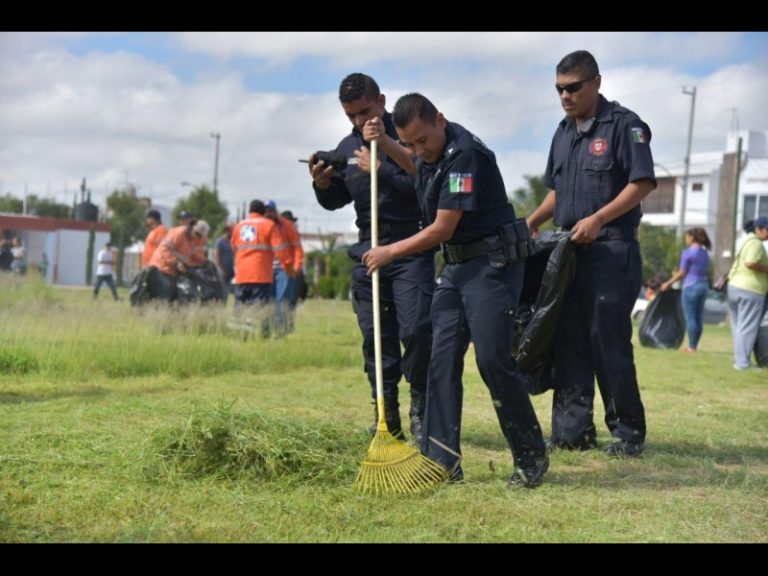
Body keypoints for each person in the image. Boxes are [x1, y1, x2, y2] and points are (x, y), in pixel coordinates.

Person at [363, 93, 548, 487]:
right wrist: (385, 141)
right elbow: (413, 163)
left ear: (440, 120)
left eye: (422, 141)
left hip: (491, 266)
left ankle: (531, 456)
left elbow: (442, 228)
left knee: (492, 360)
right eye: (409, 142)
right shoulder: (429, 152)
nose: (418, 151)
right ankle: (441, 460)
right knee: (440, 358)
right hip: (457, 267)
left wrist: (389, 252)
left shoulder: (464, 156)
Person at [526, 50, 656, 457]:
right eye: (559, 89)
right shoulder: (563, 132)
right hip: (567, 252)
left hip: (611, 249)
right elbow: (557, 191)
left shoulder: (625, 126)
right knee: (567, 339)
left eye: (573, 88)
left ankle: (628, 433)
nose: (565, 96)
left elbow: (642, 183)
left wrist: (599, 218)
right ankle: (572, 433)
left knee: (608, 341)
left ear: (596, 83)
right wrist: (531, 221)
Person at [307, 73, 434, 443]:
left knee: (416, 331)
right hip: (368, 251)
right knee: (376, 339)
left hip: (410, 246)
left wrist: (381, 168)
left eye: (364, 111)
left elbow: (424, 184)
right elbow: (337, 200)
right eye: (351, 115)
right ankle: (386, 416)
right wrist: (323, 184)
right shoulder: (347, 146)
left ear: (381, 100)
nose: (359, 122)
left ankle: (422, 413)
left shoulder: (409, 134)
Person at [660, 228, 712, 352]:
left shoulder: (688, 253)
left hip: (691, 286)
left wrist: (668, 283)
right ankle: (694, 345)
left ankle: (691, 347)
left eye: (687, 237)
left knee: (690, 318)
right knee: (698, 317)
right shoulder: (705, 253)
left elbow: (682, 272)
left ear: (692, 238)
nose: (686, 239)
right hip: (703, 285)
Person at [726, 216, 768, 370]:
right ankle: (743, 363)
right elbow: (751, 263)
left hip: (735, 286)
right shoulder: (756, 244)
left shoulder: (745, 240)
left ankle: (740, 361)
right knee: (747, 327)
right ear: (759, 229)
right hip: (751, 289)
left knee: (738, 327)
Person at [264, 201, 304, 335]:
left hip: (284, 269)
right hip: (267, 269)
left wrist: (296, 267)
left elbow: (297, 249)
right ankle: (269, 329)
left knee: (283, 300)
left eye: (271, 210)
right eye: (266, 211)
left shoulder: (287, 227)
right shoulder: (264, 225)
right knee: (269, 299)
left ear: (275, 211)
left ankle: (280, 329)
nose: (268, 213)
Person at [147, 219, 210, 301]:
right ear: (191, 228)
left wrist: (204, 262)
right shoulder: (178, 233)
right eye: (197, 234)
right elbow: (164, 248)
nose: (197, 237)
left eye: (200, 236)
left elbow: (192, 255)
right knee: (164, 295)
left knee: (173, 296)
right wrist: (176, 263)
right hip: (161, 267)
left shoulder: (194, 240)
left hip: (173, 270)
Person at [213, 225, 235, 302]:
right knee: (223, 289)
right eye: (231, 231)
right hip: (223, 270)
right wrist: (222, 269)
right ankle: (222, 305)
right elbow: (216, 256)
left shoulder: (231, 241)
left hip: (231, 269)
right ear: (227, 231)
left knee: (233, 289)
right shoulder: (219, 241)